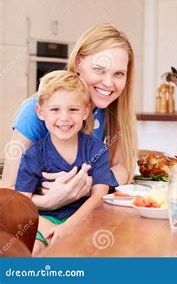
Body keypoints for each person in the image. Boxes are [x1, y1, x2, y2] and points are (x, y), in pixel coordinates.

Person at [1, 23, 136, 209]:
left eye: (119, 74)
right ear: (78, 62)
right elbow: (7, 191)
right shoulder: (34, 112)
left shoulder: (109, 108)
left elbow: (123, 168)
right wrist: (46, 202)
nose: (108, 83)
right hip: (39, 222)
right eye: (99, 69)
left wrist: (89, 184)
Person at [15, 71, 118, 254]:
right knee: (35, 251)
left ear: (86, 112)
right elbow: (22, 202)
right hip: (45, 223)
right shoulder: (33, 156)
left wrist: (69, 226)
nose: (64, 118)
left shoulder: (97, 150)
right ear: (40, 112)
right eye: (55, 109)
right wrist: (47, 226)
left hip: (85, 220)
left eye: (73, 109)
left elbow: (99, 196)